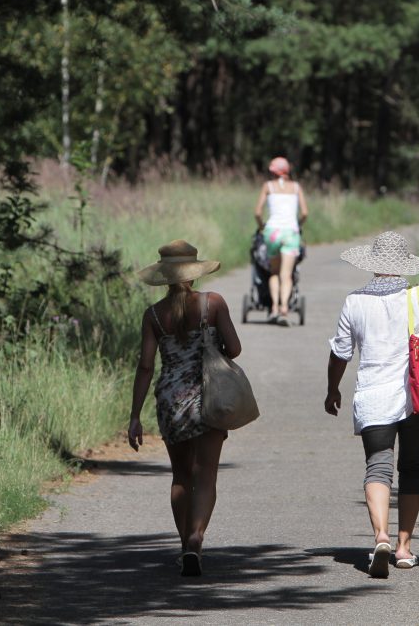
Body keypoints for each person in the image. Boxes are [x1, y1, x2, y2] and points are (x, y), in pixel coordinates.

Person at [323, 231, 419, 579]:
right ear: (404, 267)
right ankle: (403, 548)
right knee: (412, 467)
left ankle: (380, 536)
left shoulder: (354, 301)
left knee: (378, 467)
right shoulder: (418, 295)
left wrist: (332, 389)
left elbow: (340, 353)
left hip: (373, 397)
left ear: (373, 266)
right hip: (416, 396)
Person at [128, 240, 242, 577]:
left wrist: (135, 416)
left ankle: (183, 546)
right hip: (209, 396)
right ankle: (196, 539)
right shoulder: (213, 304)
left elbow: (146, 366)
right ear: (194, 271)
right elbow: (234, 348)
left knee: (180, 476)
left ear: (164, 275)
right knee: (205, 474)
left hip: (171, 400)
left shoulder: (153, 316)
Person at [253, 156, 308, 326]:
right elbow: (305, 213)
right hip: (290, 232)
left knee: (274, 273)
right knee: (287, 275)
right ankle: (285, 307)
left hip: (272, 232)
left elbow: (257, 212)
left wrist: (262, 226)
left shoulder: (268, 186)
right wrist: (297, 225)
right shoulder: (296, 187)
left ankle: (274, 307)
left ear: (272, 171)